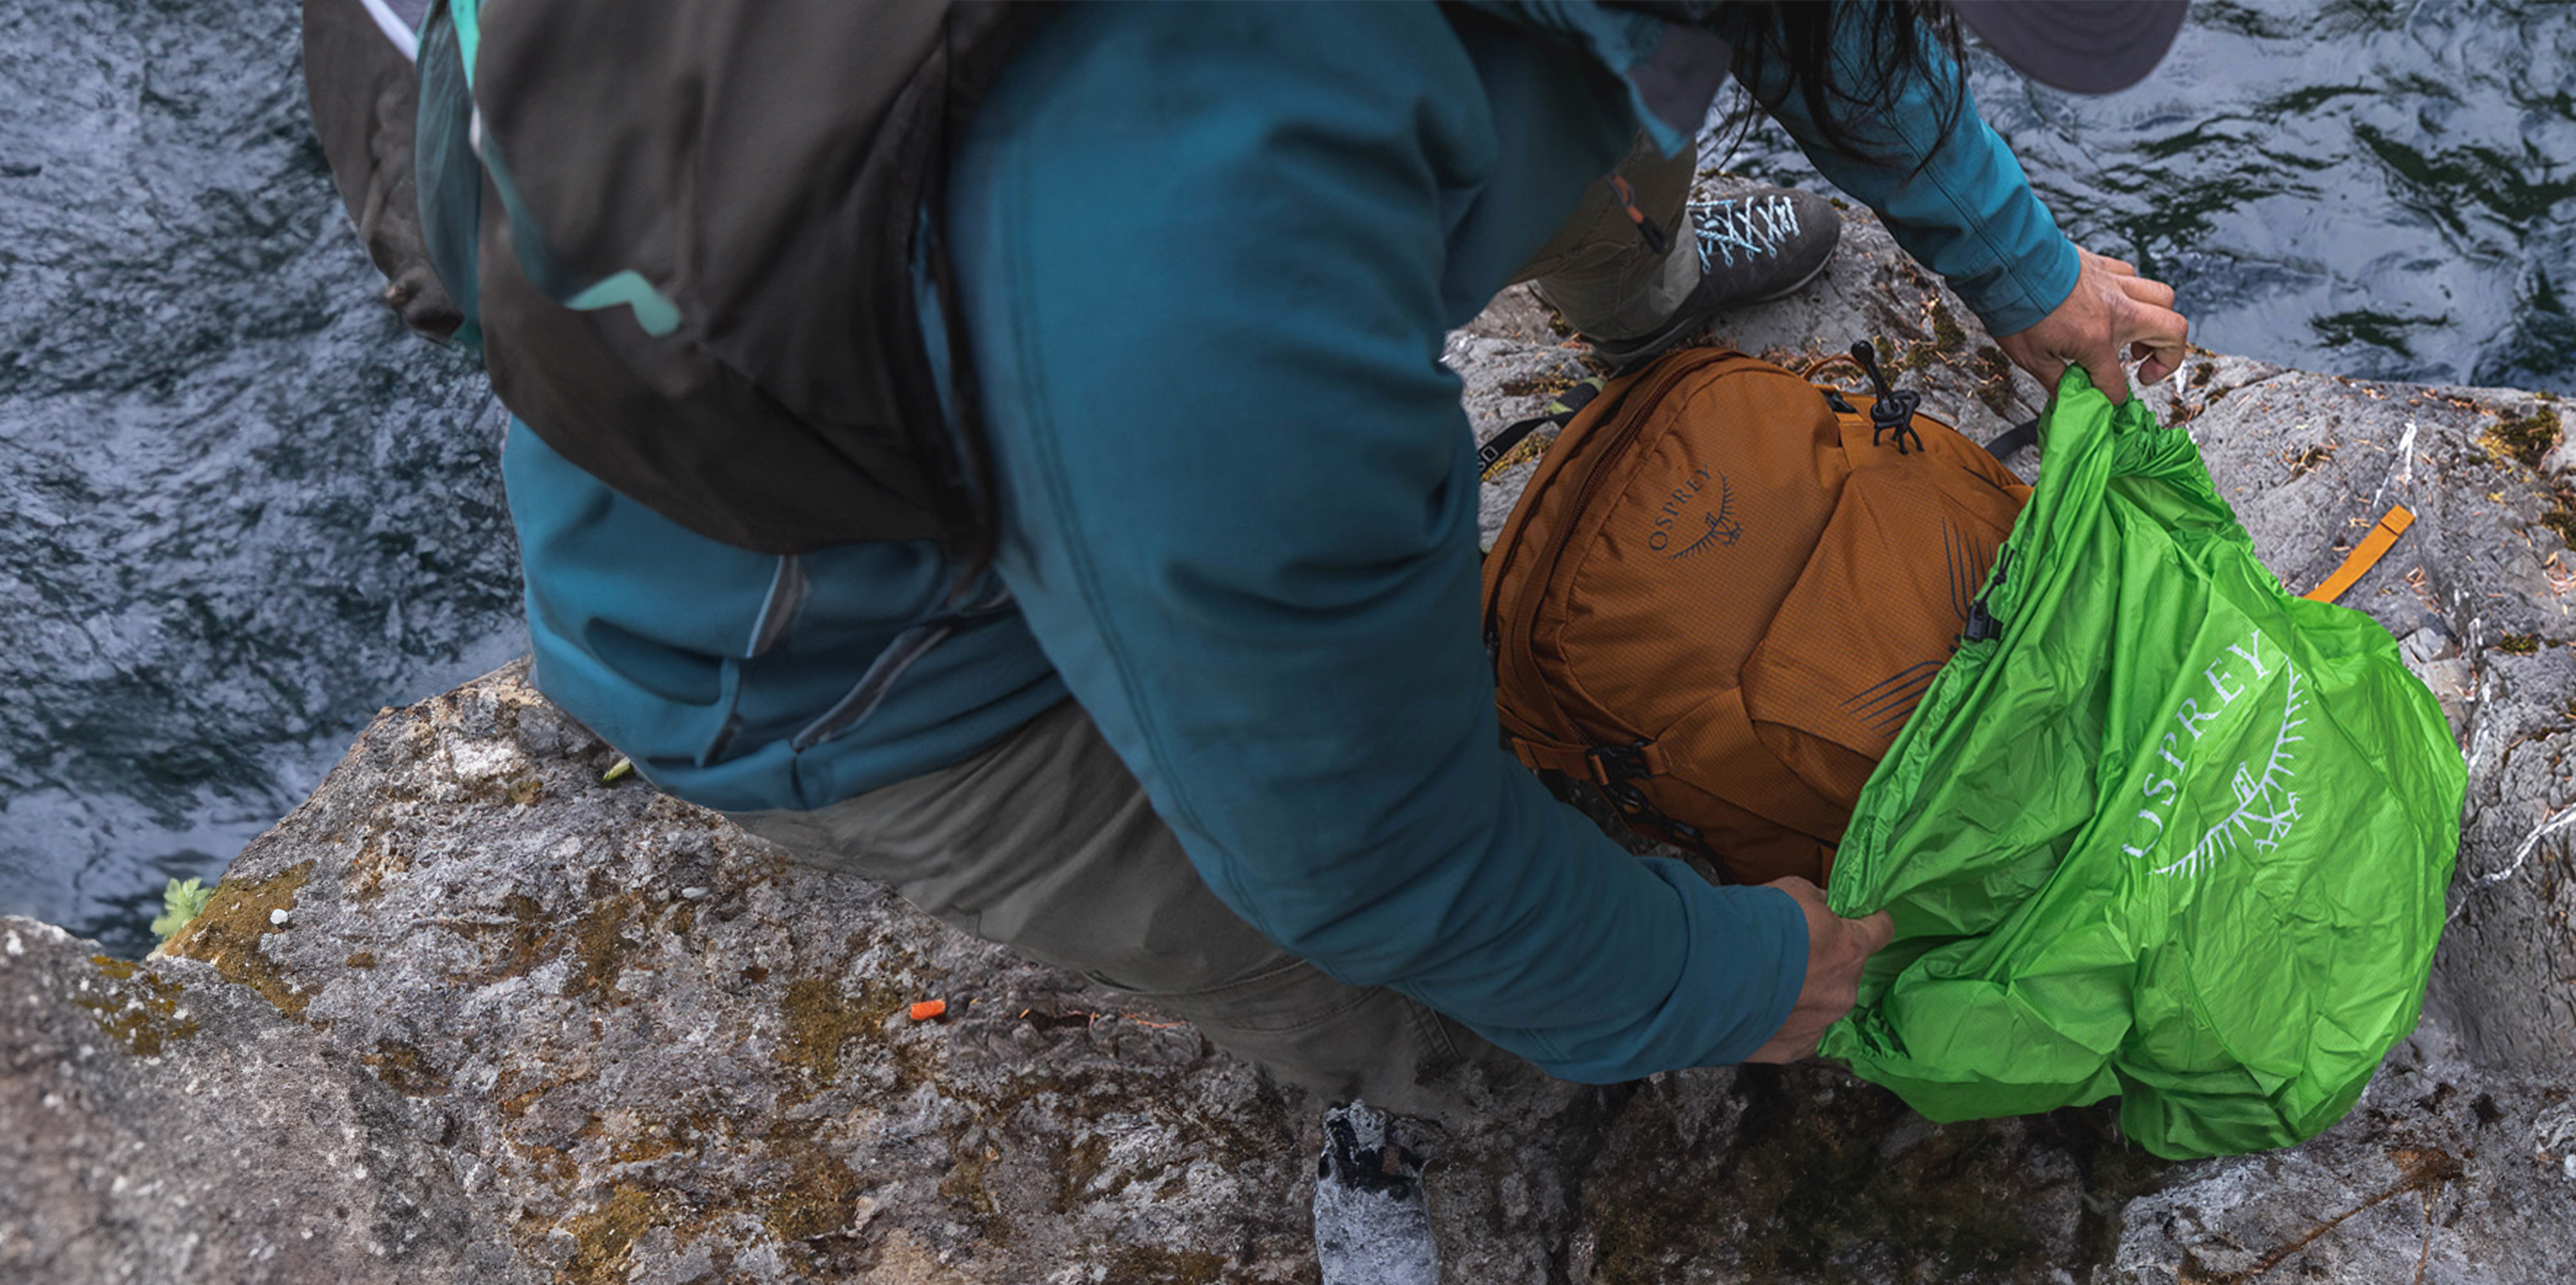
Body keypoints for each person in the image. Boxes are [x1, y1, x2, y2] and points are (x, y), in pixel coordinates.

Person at [307, 1, 2190, 1116]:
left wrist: (2021, 267)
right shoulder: (1201, 257)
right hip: (841, 648)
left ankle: (1641, 281)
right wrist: (1729, 974)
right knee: (1482, 1019)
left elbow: (1808, 16)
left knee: (1594, 128)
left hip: (1165, 256)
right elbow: (1376, 854)